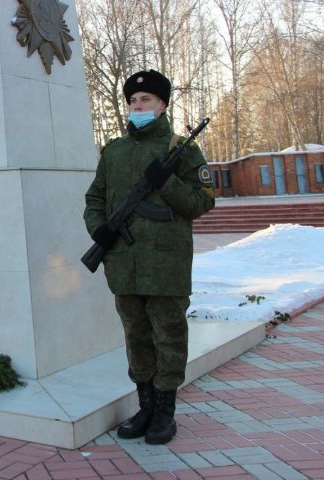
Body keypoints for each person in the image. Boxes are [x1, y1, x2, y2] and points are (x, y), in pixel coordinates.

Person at [84, 70, 215, 445]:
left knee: (168, 338)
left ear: (162, 105)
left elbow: (202, 201)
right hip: (124, 264)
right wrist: (99, 230)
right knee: (136, 337)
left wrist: (167, 182)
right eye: (133, 101)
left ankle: (165, 414)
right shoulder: (114, 151)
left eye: (146, 100)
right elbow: (95, 198)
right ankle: (145, 408)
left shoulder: (183, 150)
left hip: (166, 266)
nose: (137, 107)